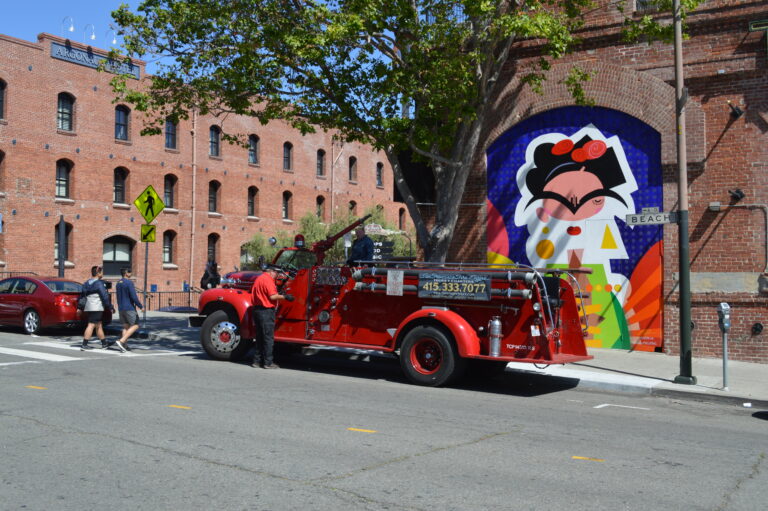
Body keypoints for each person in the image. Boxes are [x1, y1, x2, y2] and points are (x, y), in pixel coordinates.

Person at [250, 265, 294, 369]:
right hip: (266, 311)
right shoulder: (268, 280)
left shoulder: (259, 278)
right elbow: (273, 296)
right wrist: (285, 297)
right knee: (268, 338)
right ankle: (268, 363)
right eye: (277, 273)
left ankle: (256, 361)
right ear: (272, 272)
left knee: (259, 337)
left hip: (257, 310)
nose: (277, 275)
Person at [81, 265, 114, 351]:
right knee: (91, 324)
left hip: (89, 306)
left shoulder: (86, 283)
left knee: (98, 325)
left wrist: (79, 307)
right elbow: (104, 296)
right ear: (98, 273)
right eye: (102, 272)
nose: (102, 274)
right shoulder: (99, 283)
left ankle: (104, 343)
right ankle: (84, 344)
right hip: (96, 306)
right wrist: (110, 307)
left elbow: (82, 296)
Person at [114, 267, 144, 353]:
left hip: (121, 307)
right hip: (129, 307)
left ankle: (124, 346)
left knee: (126, 327)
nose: (131, 273)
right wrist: (140, 306)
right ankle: (121, 341)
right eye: (129, 271)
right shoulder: (129, 283)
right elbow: (133, 296)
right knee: (136, 325)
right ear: (126, 273)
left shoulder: (118, 283)